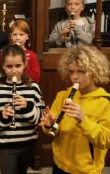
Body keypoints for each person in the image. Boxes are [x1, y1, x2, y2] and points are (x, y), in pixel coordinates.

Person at [40, 45, 110, 174]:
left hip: (87, 170)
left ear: (94, 70)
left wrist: (83, 119)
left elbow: (105, 140)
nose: (75, 77)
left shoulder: (105, 102)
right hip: (60, 164)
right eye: (71, 72)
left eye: (81, 71)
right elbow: (54, 132)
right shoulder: (62, 96)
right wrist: (49, 125)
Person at [0, 44, 45, 174]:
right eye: (9, 66)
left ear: (25, 64)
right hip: (4, 146)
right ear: (2, 66)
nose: (14, 71)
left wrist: (27, 107)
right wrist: (2, 116)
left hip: (28, 144)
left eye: (18, 66)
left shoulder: (33, 87)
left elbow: (41, 117)